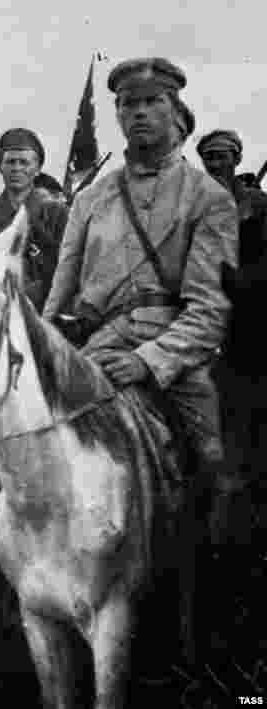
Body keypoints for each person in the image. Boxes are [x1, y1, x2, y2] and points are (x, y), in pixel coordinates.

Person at [42, 58, 237, 548]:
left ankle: (215, 567)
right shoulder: (90, 199)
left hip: (175, 356)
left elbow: (210, 310)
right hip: (98, 347)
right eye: (129, 105)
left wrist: (148, 361)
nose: (140, 113)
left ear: (176, 112)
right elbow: (59, 294)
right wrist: (44, 349)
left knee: (214, 460)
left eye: (153, 102)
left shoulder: (209, 198)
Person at [196, 129, 267, 546]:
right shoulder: (195, 204)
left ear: (237, 158)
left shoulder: (257, 205)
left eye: (223, 156)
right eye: (209, 157)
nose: (216, 163)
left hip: (248, 322)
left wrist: (237, 281)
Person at [0, 128, 70, 311]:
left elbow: (69, 269)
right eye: (10, 162)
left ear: (37, 168)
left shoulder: (58, 215)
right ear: (0, 166)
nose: (17, 168)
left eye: (24, 162)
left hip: (47, 312)